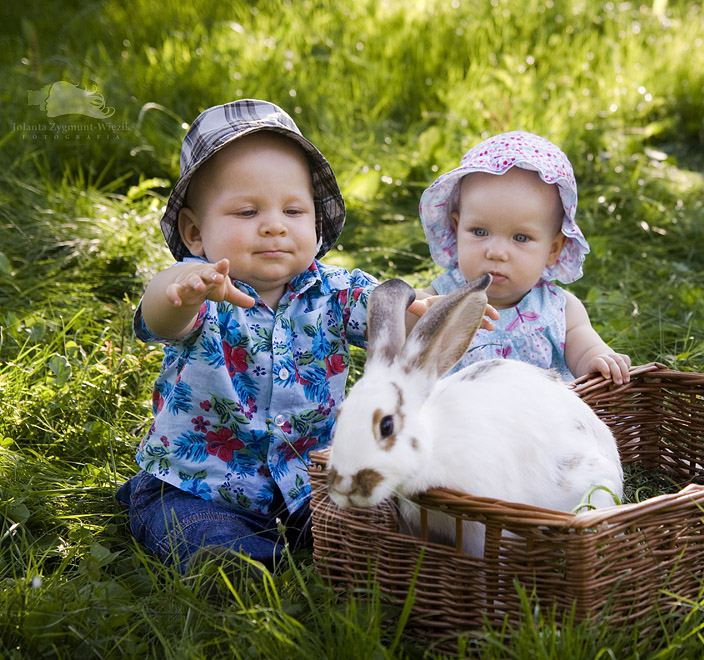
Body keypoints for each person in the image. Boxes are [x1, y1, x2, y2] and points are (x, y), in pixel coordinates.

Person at [114, 99, 445, 574]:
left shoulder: (334, 292)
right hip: (198, 486)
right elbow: (160, 314)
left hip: (312, 485)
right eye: (247, 211)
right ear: (194, 232)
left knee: (379, 523)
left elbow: (385, 316)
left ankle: (321, 546)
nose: (273, 225)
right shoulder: (200, 288)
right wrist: (181, 292)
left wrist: (421, 314)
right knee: (203, 536)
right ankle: (235, 563)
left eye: (293, 210)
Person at [419, 131, 631, 384]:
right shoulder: (439, 297)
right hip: (460, 420)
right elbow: (405, 316)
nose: (496, 252)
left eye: (520, 238)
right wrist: (420, 312)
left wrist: (598, 359)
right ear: (456, 228)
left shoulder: (559, 311)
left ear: (553, 249)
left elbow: (585, 350)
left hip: (538, 421)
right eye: (479, 232)